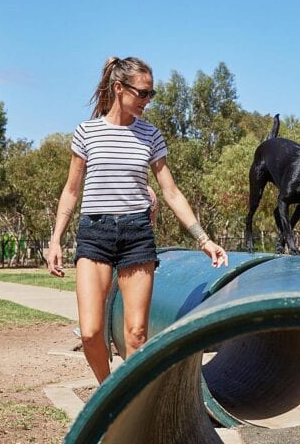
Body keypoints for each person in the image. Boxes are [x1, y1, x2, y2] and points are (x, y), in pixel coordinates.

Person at [47, 56, 228, 384]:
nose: (147, 100)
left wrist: (203, 239)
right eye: (142, 93)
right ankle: (108, 393)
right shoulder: (87, 133)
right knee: (90, 332)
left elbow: (171, 192)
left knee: (137, 334)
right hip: (95, 234)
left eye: (151, 94)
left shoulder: (150, 135)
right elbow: (71, 190)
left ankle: (131, 405)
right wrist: (55, 238)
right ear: (119, 88)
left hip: (136, 235)